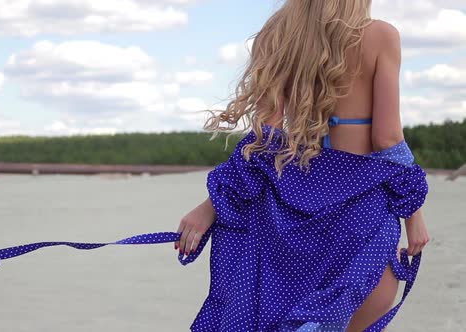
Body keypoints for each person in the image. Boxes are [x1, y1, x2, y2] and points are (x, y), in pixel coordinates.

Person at [174, 1, 430, 331]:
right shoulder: (381, 35)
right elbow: (387, 138)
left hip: (288, 218)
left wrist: (209, 207)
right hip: (361, 217)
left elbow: (264, 142)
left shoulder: (279, 33)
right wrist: (414, 216)